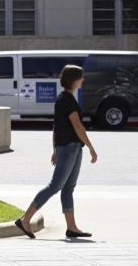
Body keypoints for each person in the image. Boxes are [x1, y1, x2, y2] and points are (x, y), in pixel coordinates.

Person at [15, 65, 99, 239]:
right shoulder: (66, 100)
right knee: (55, 185)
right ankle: (25, 219)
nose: (83, 80)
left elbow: (56, 126)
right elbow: (77, 126)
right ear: (73, 79)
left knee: (68, 188)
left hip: (72, 148)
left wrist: (55, 150)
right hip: (69, 147)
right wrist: (91, 147)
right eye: (81, 77)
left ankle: (72, 228)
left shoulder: (65, 98)